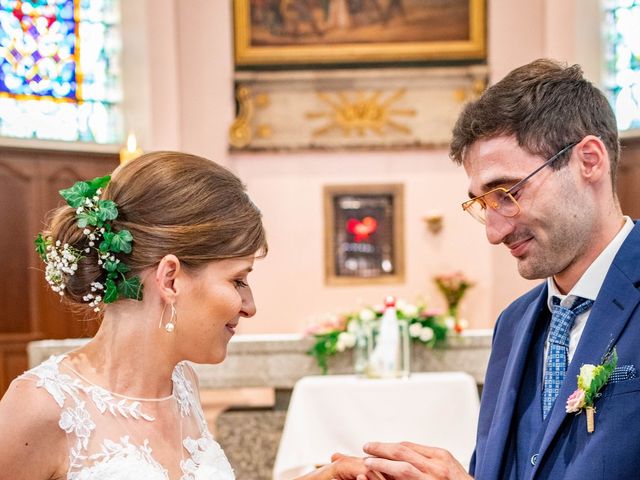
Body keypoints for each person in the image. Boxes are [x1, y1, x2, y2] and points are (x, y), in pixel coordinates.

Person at [0, 152, 373, 479]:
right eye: (238, 279)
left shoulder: (182, 384)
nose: (250, 306)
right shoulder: (41, 406)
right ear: (171, 279)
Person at [358, 59, 640, 479]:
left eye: (506, 192)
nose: (494, 231)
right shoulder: (513, 324)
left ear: (589, 160)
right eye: (482, 203)